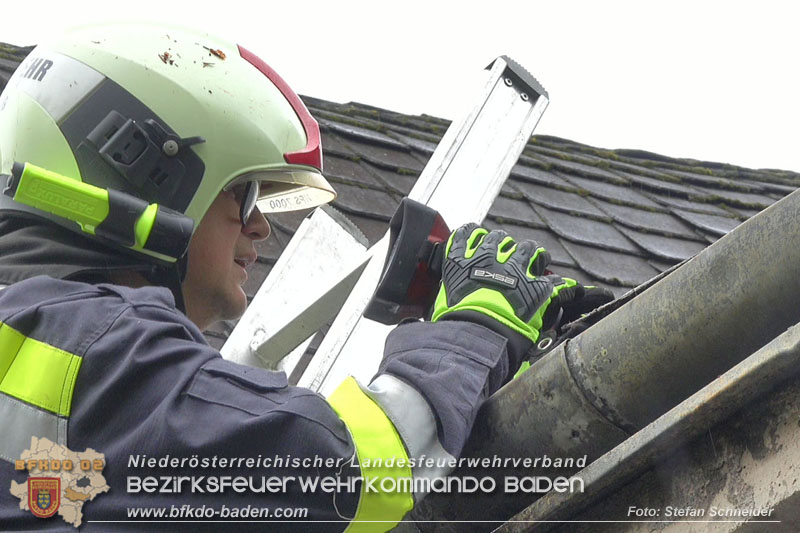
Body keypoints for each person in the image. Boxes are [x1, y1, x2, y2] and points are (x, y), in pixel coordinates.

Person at [0, 23, 610, 531]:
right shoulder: (102, 349)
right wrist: (473, 333)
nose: (260, 227)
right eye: (245, 194)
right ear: (146, 176)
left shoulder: (32, 338)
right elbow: (351, 475)